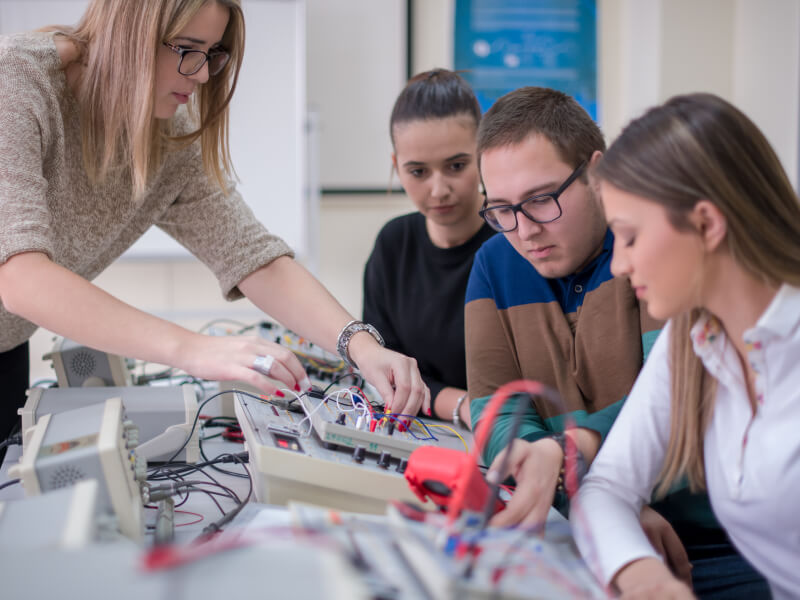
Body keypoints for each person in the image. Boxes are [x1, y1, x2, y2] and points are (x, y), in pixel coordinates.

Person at [0, 0, 429, 459]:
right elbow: (21, 277)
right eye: (187, 49)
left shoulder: (166, 135)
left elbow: (251, 256)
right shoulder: (18, 82)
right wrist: (194, 349)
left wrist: (360, 345)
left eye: (212, 53)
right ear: (132, 31)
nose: (202, 75)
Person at [465, 87, 768, 597]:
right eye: (501, 210)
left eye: (541, 200)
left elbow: (671, 407)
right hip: (593, 520)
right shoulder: (496, 263)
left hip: (715, 542)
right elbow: (494, 407)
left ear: (595, 172)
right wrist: (568, 476)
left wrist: (565, 464)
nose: (524, 230)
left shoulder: (659, 256)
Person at [572, 93, 800, 599]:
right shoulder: (694, 337)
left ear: (706, 224)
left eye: (629, 237)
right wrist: (641, 574)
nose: (618, 264)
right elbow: (607, 487)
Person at [362, 69, 494, 425]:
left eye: (456, 166)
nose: (438, 190)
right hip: (421, 430)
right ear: (397, 167)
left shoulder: (514, 241)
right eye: (418, 172)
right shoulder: (393, 245)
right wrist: (463, 405)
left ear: (482, 153)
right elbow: (383, 370)